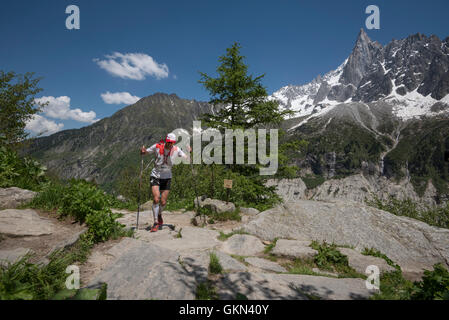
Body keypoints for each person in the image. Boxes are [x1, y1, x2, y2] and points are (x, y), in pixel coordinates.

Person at [140, 133, 190, 232]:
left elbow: (186, 158)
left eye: (172, 143)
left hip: (167, 177)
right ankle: (155, 223)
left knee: (163, 202)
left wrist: (189, 153)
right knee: (156, 198)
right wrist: (143, 151)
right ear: (166, 141)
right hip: (155, 175)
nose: (170, 144)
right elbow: (146, 152)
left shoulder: (176, 149)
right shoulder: (157, 146)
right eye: (169, 142)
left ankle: (159, 214)